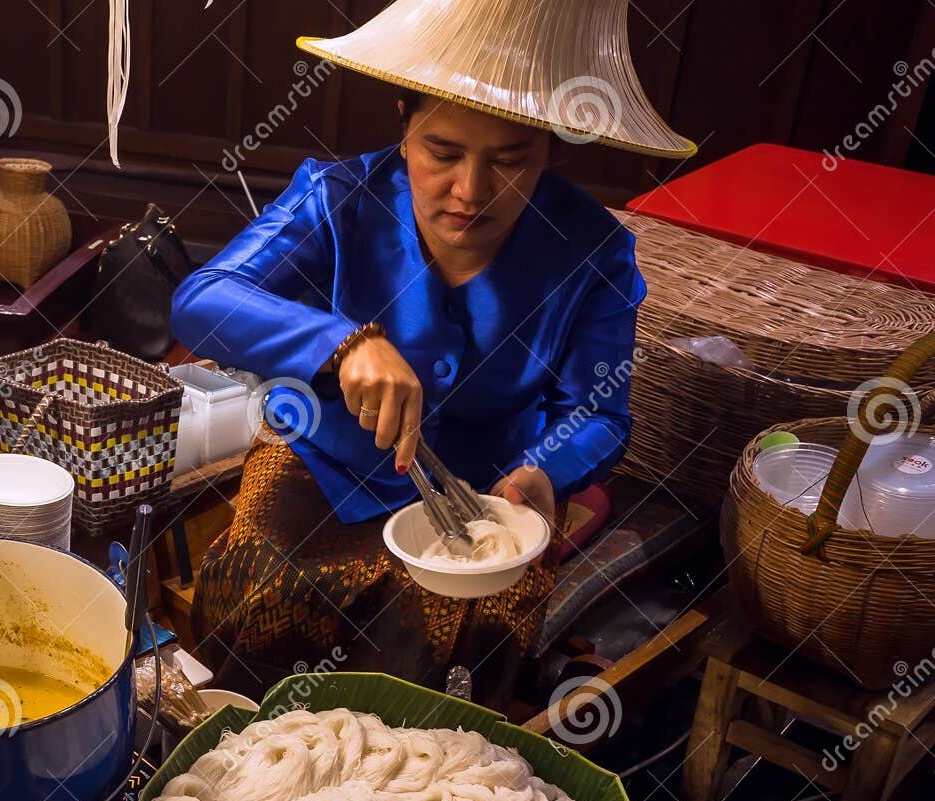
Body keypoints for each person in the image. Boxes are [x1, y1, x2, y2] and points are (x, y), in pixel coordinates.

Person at [171, 0, 693, 700]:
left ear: (552, 147)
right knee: (258, 594)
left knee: (456, 653)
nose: (471, 192)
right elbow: (201, 302)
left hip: (487, 500)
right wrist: (344, 342)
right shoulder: (337, 199)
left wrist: (542, 473)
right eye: (441, 152)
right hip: (326, 468)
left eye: (511, 161)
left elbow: (599, 414)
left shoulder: (593, 250)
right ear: (402, 120)